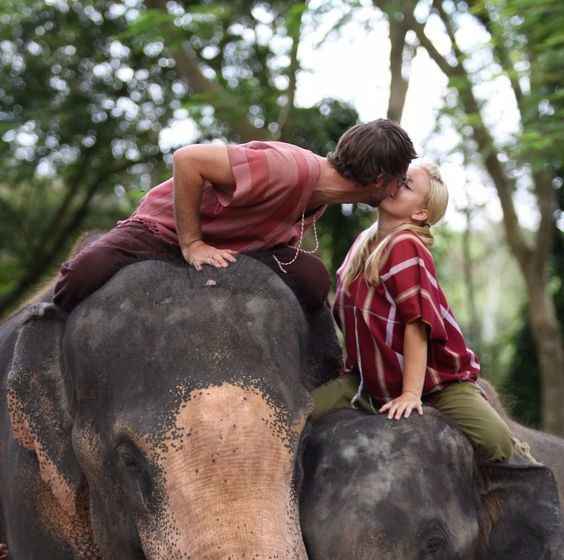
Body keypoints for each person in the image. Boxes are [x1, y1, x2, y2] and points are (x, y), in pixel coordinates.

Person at [52, 120, 417, 313]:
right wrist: (192, 243)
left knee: (312, 278)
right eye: (400, 180)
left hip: (237, 247)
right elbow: (187, 159)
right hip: (166, 230)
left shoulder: (321, 194)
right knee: (83, 274)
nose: (399, 189)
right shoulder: (287, 169)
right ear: (380, 180)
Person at [311, 160, 516, 463]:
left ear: (420, 213)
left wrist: (410, 394)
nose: (395, 184)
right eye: (397, 177)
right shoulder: (363, 243)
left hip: (434, 383)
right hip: (367, 382)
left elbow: (416, 324)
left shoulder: (406, 245)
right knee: (302, 413)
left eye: (406, 185)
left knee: (497, 443)